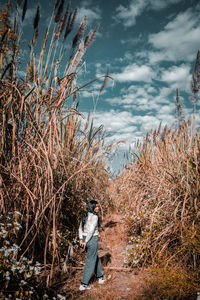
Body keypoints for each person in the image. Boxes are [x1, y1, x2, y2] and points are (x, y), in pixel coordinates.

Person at [78, 200, 105, 291]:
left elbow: (80, 229)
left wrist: (81, 239)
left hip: (85, 238)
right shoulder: (94, 217)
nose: (97, 208)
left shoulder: (84, 215)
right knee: (90, 261)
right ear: (92, 207)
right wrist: (85, 241)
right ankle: (84, 283)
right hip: (91, 239)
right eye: (96, 206)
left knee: (94, 257)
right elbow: (91, 230)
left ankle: (100, 276)